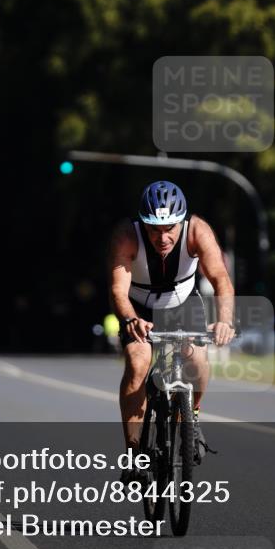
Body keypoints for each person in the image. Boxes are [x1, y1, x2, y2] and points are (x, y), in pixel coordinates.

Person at [108, 180, 235, 480]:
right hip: (139, 308)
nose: (162, 237)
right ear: (143, 223)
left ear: (182, 222)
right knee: (138, 364)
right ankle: (134, 455)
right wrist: (130, 319)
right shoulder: (127, 236)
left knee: (197, 361)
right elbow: (117, 291)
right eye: (154, 229)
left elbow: (220, 279)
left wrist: (225, 321)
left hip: (182, 303)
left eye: (170, 229)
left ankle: (192, 416)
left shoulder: (197, 231)